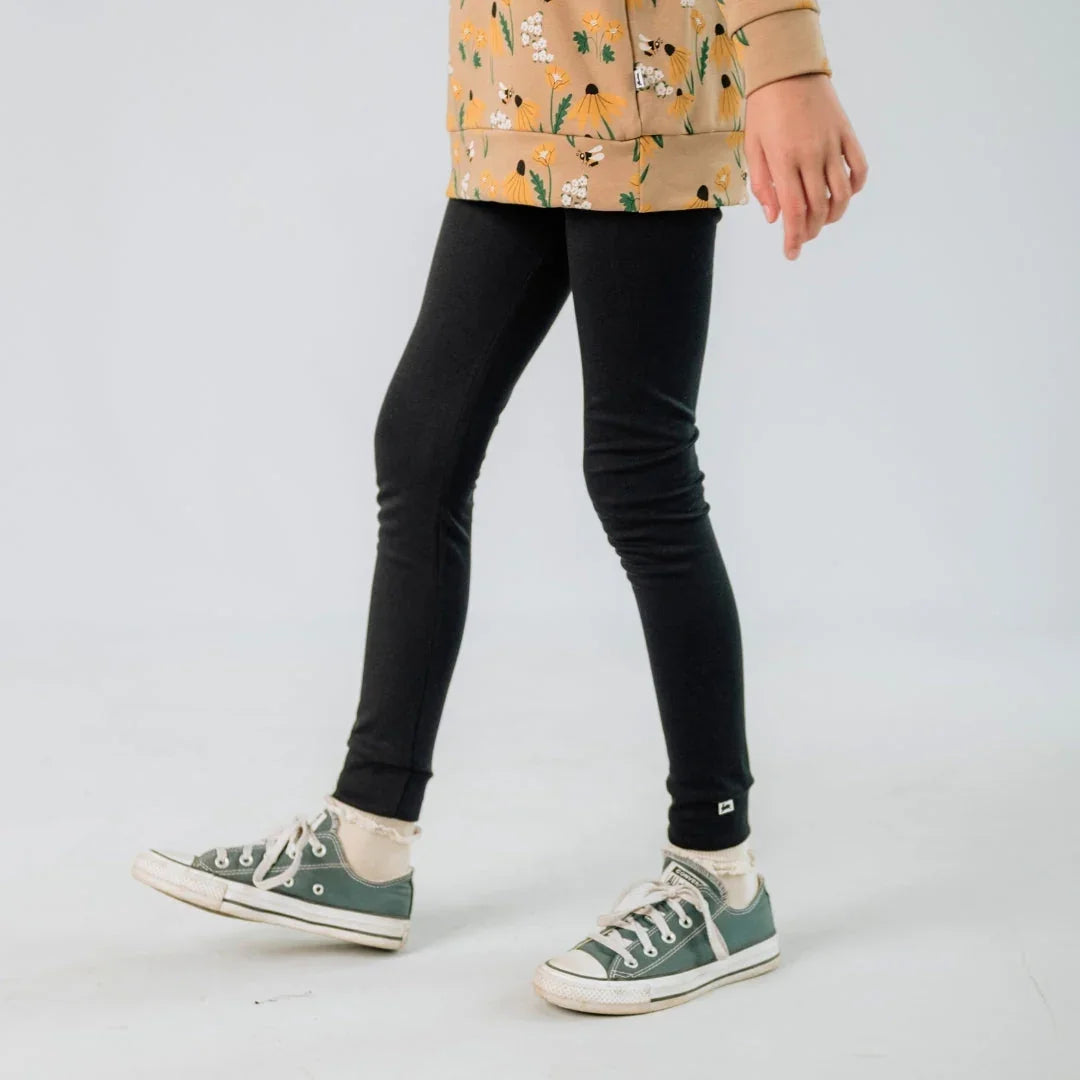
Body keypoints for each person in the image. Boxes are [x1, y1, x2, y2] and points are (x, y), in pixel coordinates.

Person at [132, 0, 867, 1015]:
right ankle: (367, 842)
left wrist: (786, 61)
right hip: (516, 93)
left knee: (639, 473)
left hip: (634, 96)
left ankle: (720, 871)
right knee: (422, 445)